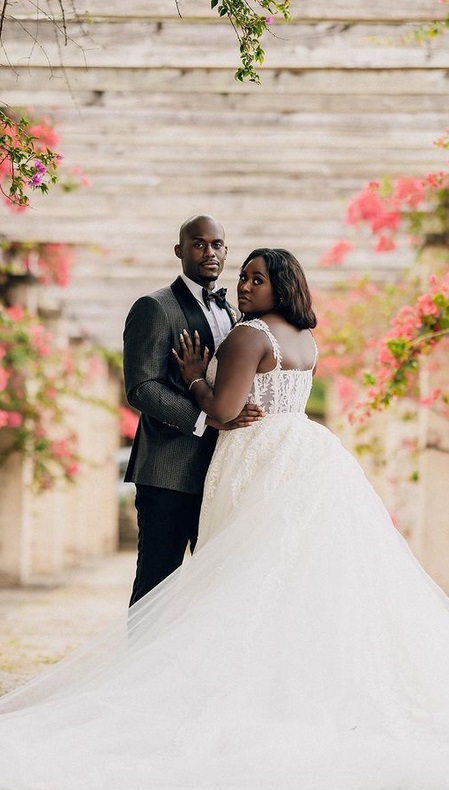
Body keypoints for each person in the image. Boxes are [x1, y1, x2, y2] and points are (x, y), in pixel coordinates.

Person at [1, 248, 449, 789]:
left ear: (281, 285)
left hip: (255, 453)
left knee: (236, 573)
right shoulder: (306, 339)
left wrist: (193, 376)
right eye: (243, 277)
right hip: (303, 450)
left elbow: (223, 412)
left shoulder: (249, 335)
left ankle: (192, 684)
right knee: (284, 577)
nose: (244, 285)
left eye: (256, 279)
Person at [123, 214, 263, 604]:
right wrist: (207, 417)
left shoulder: (236, 314)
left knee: (212, 587)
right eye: (199, 244)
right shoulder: (154, 307)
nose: (209, 252)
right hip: (168, 470)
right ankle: (143, 666)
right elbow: (141, 387)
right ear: (179, 250)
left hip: (220, 471)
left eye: (217, 244)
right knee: (157, 582)